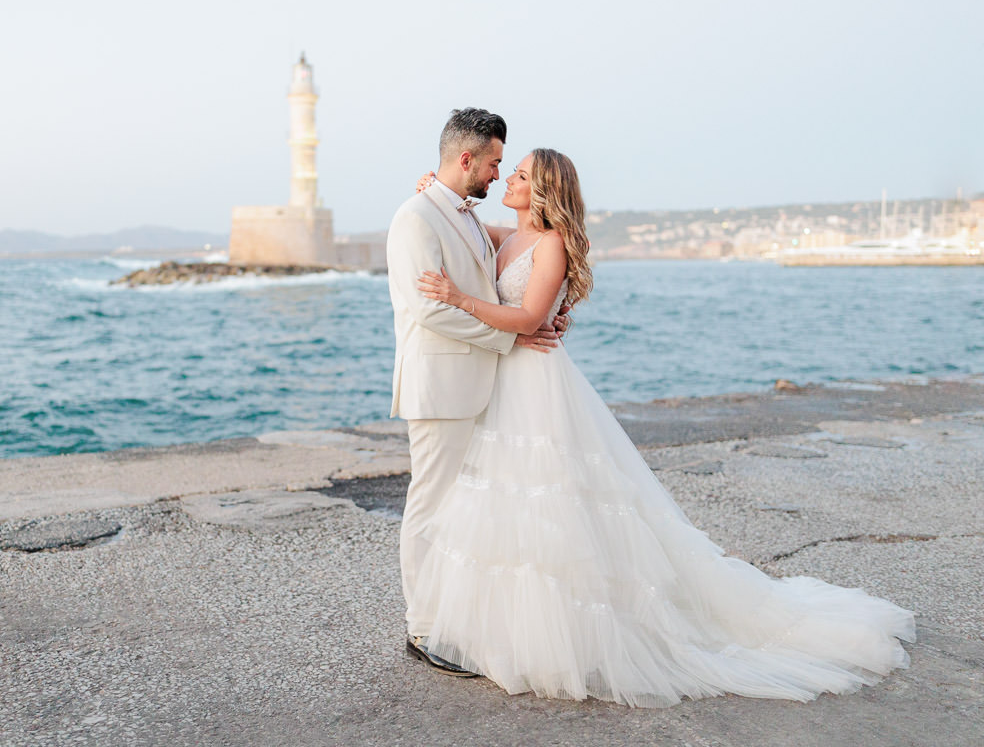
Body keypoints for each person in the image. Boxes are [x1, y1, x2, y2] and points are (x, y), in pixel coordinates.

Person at [411, 148, 915, 707]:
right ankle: (505, 628)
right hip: (508, 382)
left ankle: (575, 636)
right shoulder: (510, 235)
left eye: (522, 174)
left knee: (553, 504)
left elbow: (530, 319)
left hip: (537, 384)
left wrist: (458, 299)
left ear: (545, 190)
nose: (508, 178)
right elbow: (469, 223)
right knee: (510, 505)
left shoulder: (551, 244)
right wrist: (439, 189)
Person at [385, 109, 563, 676]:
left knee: (463, 510)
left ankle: (457, 618)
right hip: (440, 387)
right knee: (431, 507)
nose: (497, 174)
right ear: (467, 159)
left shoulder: (461, 213)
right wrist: (510, 341)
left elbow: (523, 270)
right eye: (492, 164)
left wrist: (542, 319)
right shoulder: (417, 217)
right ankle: (423, 629)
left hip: (476, 388)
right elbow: (429, 309)